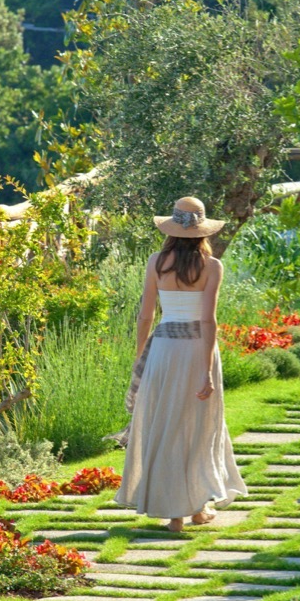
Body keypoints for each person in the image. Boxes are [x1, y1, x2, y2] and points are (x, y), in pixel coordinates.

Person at [115, 196, 248, 532]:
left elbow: (146, 315)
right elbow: (208, 321)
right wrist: (205, 370)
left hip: (163, 350)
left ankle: (174, 514)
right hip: (196, 350)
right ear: (203, 232)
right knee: (200, 428)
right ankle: (197, 506)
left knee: (166, 426)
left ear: (171, 230)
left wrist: (141, 355)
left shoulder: (156, 262)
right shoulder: (212, 266)